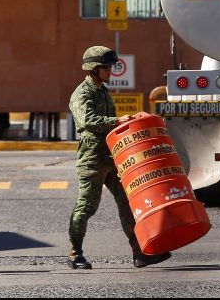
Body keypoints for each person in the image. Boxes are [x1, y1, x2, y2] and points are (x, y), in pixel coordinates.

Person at [67, 46, 171, 269]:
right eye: (107, 67)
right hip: (92, 159)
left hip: (112, 157)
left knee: (127, 203)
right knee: (87, 206)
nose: (111, 71)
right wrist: (118, 121)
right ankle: (75, 253)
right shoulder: (82, 94)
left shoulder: (103, 91)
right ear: (94, 69)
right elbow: (89, 121)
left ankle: (140, 252)